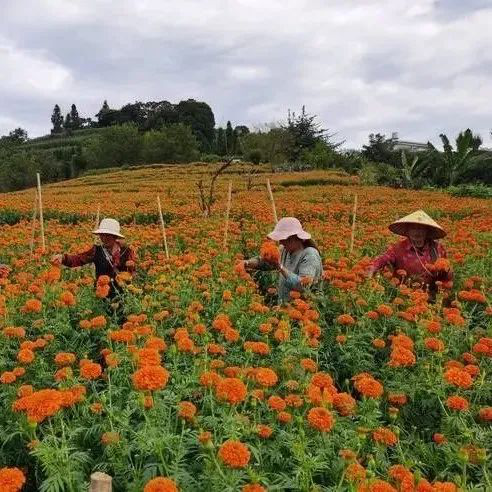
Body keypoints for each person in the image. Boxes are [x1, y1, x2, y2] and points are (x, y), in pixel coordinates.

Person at [367, 210, 453, 298]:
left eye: (420, 228)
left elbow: (446, 274)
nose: (416, 232)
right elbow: (383, 259)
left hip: (432, 296)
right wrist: (372, 269)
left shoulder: (437, 248)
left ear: (427, 231)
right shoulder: (398, 248)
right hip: (404, 295)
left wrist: (446, 275)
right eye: (413, 228)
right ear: (407, 231)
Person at [242, 217, 323, 304]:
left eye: (285, 239)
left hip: (306, 311)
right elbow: (265, 262)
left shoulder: (310, 254)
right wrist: (246, 263)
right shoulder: (284, 249)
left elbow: (303, 286)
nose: (281, 242)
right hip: (286, 307)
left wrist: (280, 266)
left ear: (296, 238)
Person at [52, 218, 136, 300]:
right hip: (102, 295)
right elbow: (79, 258)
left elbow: (132, 273)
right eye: (101, 235)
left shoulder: (127, 252)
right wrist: (62, 258)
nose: (104, 238)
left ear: (115, 236)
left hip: (123, 294)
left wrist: (131, 269)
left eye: (107, 235)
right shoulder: (97, 250)